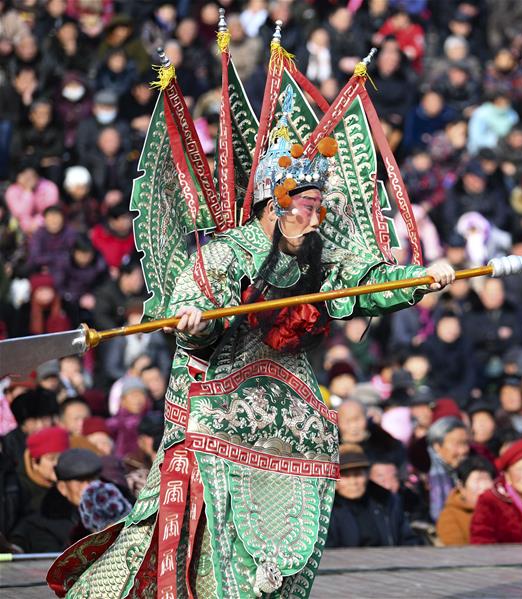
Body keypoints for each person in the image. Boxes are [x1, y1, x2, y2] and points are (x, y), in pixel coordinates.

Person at [49, 72, 456, 599]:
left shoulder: (319, 257)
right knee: (208, 558)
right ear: (272, 204)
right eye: (307, 206)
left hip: (293, 416)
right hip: (219, 410)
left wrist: (417, 281)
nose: (316, 217)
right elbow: (190, 312)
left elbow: (365, 282)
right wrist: (199, 322)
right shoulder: (223, 255)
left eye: (319, 205)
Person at [326, 444, 418, 548]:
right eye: (345, 476)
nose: (353, 482)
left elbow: (408, 540)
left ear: (367, 476)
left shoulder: (386, 501)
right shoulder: (324, 510)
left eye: (358, 474)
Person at [10, 448, 101, 552]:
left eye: (92, 480)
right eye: (79, 481)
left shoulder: (113, 512)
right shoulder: (39, 526)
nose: (87, 487)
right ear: (63, 488)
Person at [436, 455, 495, 546]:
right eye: (478, 481)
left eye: (486, 480)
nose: (483, 487)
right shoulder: (450, 515)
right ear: (461, 487)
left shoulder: (500, 509)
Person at [426, 416, 470, 521]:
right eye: (457, 444)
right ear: (437, 446)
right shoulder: (424, 475)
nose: (464, 450)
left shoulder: (463, 470)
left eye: (466, 443)